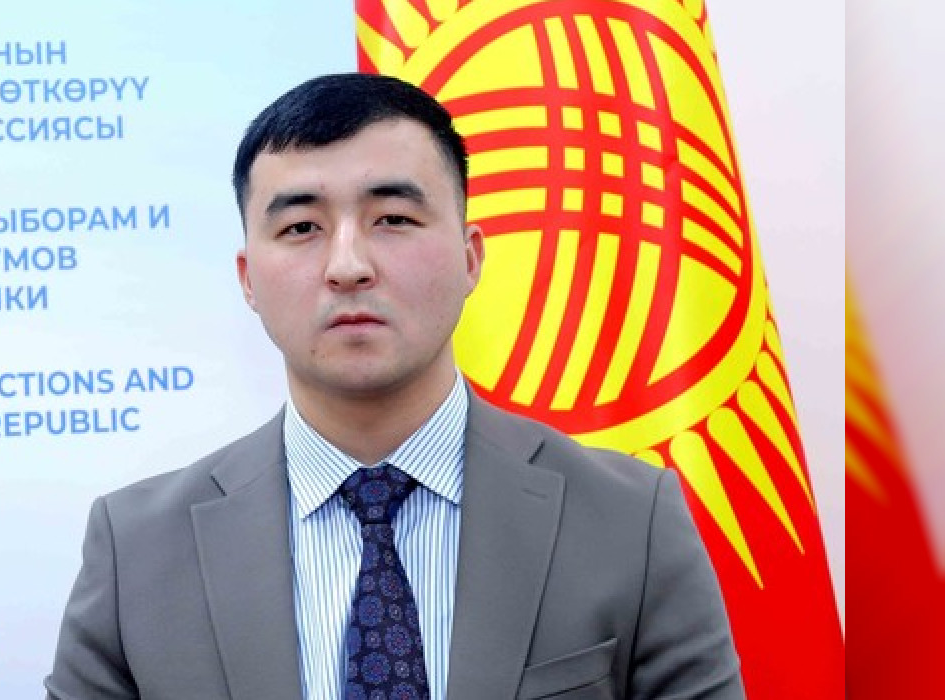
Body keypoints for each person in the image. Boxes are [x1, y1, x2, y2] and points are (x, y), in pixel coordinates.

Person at [44, 73, 743, 700]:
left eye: (394, 220)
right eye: (302, 227)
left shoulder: (630, 520)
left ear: (470, 258)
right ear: (248, 279)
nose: (348, 265)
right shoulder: (137, 550)